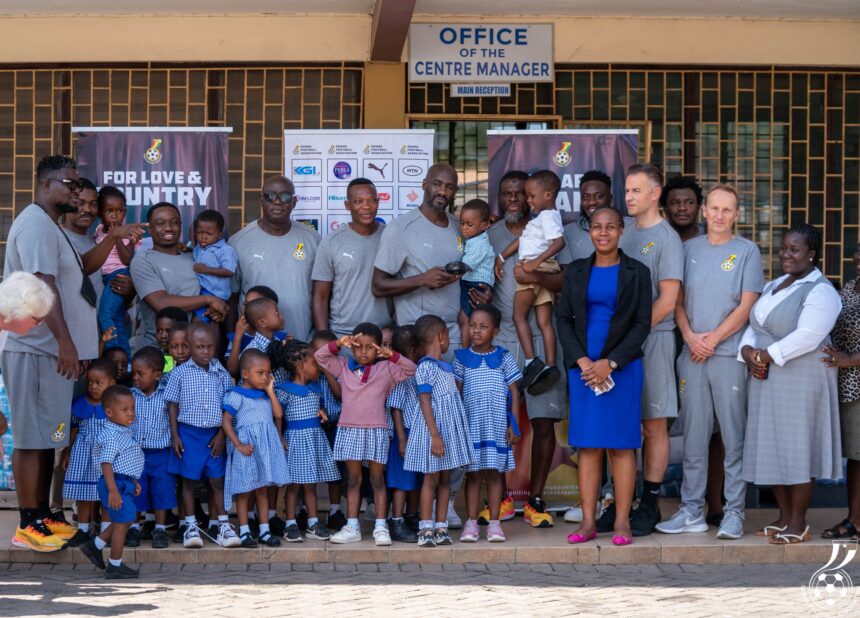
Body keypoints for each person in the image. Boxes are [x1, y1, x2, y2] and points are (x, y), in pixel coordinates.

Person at [656, 185, 763, 540]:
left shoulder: (747, 251)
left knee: (733, 437)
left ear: (736, 214)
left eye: (727, 210)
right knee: (695, 437)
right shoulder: (687, 249)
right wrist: (689, 337)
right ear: (704, 211)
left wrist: (713, 339)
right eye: (714, 208)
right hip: (692, 354)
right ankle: (691, 511)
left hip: (728, 356)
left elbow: (747, 306)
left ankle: (734, 512)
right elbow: (677, 300)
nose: (719, 215)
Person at [2, 155, 97, 552]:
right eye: (69, 184)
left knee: (46, 436)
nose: (75, 191)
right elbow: (44, 284)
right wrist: (66, 342)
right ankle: (28, 523)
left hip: (47, 350)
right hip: (36, 348)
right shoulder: (37, 225)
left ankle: (42, 516)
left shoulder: (49, 226)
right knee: (31, 436)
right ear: (45, 186)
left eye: (78, 185)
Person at [740, 223, 842, 545]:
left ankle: (799, 523)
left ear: (811, 255)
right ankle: (783, 517)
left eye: (794, 249)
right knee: (773, 446)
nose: (786, 254)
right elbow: (755, 324)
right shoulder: (774, 285)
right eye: (784, 248)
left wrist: (765, 356)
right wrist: (747, 352)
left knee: (798, 447)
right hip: (766, 375)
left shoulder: (821, 291)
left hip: (801, 376)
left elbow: (809, 336)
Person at [558, 206, 652, 547]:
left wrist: (610, 363)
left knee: (622, 446)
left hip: (622, 370)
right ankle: (588, 521)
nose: (603, 233)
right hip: (583, 372)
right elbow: (563, 320)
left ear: (621, 231)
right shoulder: (577, 271)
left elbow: (642, 324)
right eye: (597, 227)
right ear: (589, 231)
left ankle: (623, 521)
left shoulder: (637, 272)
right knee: (588, 446)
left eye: (610, 227)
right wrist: (584, 361)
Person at [488, 170, 566, 529]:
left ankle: (535, 499)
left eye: (524, 193)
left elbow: (565, 279)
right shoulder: (490, 236)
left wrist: (533, 273)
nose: (517, 199)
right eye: (509, 194)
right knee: (497, 421)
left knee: (544, 423)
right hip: (502, 344)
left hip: (542, 339)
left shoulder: (548, 226)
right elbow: (476, 282)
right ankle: (500, 497)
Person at [618, 163, 684, 536]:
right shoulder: (623, 232)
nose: (628, 197)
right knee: (623, 423)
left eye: (635, 190)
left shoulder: (667, 238)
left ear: (655, 193)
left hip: (654, 342)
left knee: (654, 424)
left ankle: (650, 503)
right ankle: (621, 500)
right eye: (626, 190)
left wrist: (630, 336)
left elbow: (668, 300)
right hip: (620, 346)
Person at [315, 324, 416, 545]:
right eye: (358, 347)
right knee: (353, 479)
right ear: (351, 348)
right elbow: (320, 356)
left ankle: (381, 527)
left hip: (376, 430)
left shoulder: (387, 369)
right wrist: (338, 344)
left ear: (378, 348)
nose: (363, 352)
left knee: (377, 479)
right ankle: (352, 526)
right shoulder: (343, 366)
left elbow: (411, 370)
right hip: (349, 429)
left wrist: (393, 356)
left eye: (369, 347)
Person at [373, 163, 481, 356]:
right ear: (424, 185)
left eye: (449, 187)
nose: (442, 191)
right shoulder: (400, 228)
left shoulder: (459, 226)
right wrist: (422, 279)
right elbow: (378, 286)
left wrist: (481, 291)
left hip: (453, 337)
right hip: (416, 341)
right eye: (437, 184)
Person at [164, 322, 239, 549]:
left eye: (209, 347)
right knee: (189, 482)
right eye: (199, 347)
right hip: (188, 434)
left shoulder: (222, 373)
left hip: (214, 436)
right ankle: (190, 527)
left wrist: (221, 435)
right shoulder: (179, 373)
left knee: (217, 480)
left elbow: (228, 406)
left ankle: (223, 525)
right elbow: (172, 405)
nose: (205, 351)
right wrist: (175, 436)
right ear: (189, 347)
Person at [404, 314, 474, 548]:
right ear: (441, 337)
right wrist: (434, 435)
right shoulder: (425, 367)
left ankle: (441, 526)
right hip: (434, 432)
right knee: (431, 479)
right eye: (448, 337)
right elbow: (425, 401)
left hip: (449, 433)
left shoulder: (447, 367)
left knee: (445, 480)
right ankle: (426, 528)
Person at [454, 304, 522, 543]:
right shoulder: (461, 358)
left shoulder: (504, 356)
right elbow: (457, 393)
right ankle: (471, 523)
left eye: (483, 327)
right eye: (472, 325)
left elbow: (515, 391)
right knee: (473, 475)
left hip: (496, 426)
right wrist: (457, 427)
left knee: (494, 475)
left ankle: (495, 524)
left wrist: (513, 424)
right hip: (471, 426)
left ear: (495, 331)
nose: (476, 331)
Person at [496, 170, 565, 395]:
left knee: (519, 316)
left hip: (535, 271)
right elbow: (521, 240)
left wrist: (535, 262)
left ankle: (530, 362)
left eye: (531, 196)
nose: (528, 200)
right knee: (545, 322)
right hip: (541, 270)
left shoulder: (548, 216)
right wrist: (501, 257)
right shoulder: (540, 220)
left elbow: (559, 242)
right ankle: (550, 365)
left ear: (547, 195)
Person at [230, 176, 320, 341]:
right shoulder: (238, 242)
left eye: (285, 197)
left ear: (294, 202)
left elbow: (321, 294)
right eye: (270, 196)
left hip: (302, 342)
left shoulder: (313, 240)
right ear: (261, 200)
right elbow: (232, 297)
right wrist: (231, 341)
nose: (277, 202)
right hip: (255, 349)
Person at [130, 202, 229, 347]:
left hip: (194, 349)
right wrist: (208, 300)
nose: (168, 228)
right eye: (160, 223)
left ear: (181, 225)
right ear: (150, 229)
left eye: (174, 222)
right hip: (160, 351)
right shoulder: (143, 261)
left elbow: (210, 288)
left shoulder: (194, 257)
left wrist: (214, 310)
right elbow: (161, 303)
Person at [270, 339, 339, 542]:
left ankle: (312, 523)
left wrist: (322, 412)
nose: (317, 367)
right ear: (301, 366)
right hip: (296, 441)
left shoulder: (316, 389)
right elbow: (278, 415)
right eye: (314, 363)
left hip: (314, 438)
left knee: (311, 485)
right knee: (294, 486)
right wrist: (279, 436)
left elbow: (320, 408)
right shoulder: (285, 390)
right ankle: (290, 523)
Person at [222, 349, 289, 548]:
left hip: (264, 449)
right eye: (260, 373)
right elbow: (226, 422)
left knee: (262, 490)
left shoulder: (266, 396)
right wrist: (239, 445)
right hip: (247, 449)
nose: (265, 377)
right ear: (245, 373)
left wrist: (269, 390)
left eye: (268, 373)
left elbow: (278, 414)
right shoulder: (236, 395)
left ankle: (265, 531)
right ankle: (244, 531)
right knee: (244, 491)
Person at [78, 384, 144, 579]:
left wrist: (133, 480)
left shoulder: (121, 430)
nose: (131, 413)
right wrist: (113, 490)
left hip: (123, 482)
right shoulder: (112, 435)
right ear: (109, 412)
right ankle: (115, 565)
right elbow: (106, 463)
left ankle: (95, 545)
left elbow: (122, 460)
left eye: (132, 408)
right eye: (125, 410)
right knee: (123, 524)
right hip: (114, 483)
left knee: (124, 519)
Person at [312, 178, 391, 337]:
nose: (366, 207)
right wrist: (325, 340)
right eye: (358, 201)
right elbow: (320, 297)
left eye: (371, 200)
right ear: (348, 205)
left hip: (383, 335)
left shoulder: (390, 237)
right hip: (344, 336)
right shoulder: (331, 242)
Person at [821, 245, 860, 540]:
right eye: (856, 256)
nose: (857, 261)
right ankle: (855, 520)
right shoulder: (849, 287)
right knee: (855, 457)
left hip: (855, 376)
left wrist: (852, 358)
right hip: (848, 385)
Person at [62, 358, 118, 547]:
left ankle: (105, 531)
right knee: (84, 495)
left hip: (106, 457)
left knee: (106, 495)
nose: (93, 387)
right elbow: (74, 430)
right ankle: (83, 530)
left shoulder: (114, 407)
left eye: (99, 383)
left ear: (112, 384)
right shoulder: (80, 404)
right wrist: (67, 452)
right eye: (90, 382)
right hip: (83, 456)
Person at [129, 346, 175, 549]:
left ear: (157, 375)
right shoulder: (130, 396)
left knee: (162, 491)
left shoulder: (166, 396)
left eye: (141, 374)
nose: (135, 378)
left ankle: (160, 529)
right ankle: (133, 527)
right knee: (137, 490)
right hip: (136, 454)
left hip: (161, 453)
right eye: (134, 373)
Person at [94, 186, 142, 356]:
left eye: (119, 211)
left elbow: (127, 260)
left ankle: (113, 355)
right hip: (105, 279)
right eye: (109, 211)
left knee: (105, 315)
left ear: (125, 212)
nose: (115, 215)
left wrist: (117, 237)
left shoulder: (127, 233)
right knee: (118, 321)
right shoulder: (99, 231)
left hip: (119, 276)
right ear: (100, 213)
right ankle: (125, 360)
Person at [386, 325, 422, 542]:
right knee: (402, 481)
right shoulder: (401, 375)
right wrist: (402, 439)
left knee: (417, 480)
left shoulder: (423, 369)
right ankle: (397, 520)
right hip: (405, 434)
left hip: (420, 434)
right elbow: (396, 408)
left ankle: (411, 516)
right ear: (413, 348)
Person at [310, 330, 346, 533]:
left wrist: (328, 371)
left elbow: (340, 395)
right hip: (314, 428)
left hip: (335, 426)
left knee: (335, 473)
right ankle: (307, 511)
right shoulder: (307, 372)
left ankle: (334, 512)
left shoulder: (340, 370)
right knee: (310, 472)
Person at [457, 199, 496, 348]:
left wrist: (449, 272)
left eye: (469, 224)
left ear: (485, 225)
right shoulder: (474, 239)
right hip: (472, 283)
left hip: (476, 286)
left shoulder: (480, 243)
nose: (464, 228)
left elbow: (466, 265)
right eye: (462, 223)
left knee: (465, 319)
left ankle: (467, 351)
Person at [224, 285, 281, 378]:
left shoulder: (280, 338)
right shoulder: (235, 337)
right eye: (246, 304)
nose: (246, 309)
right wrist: (238, 337)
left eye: (253, 305)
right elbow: (232, 371)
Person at [559, 169, 616, 263]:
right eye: (586, 197)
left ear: (610, 199)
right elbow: (567, 273)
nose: (592, 202)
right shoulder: (568, 232)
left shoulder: (629, 227)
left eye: (599, 196)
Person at [192, 209, 238, 322]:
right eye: (199, 232)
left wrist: (206, 270)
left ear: (220, 234)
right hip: (201, 291)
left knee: (199, 321)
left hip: (216, 293)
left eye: (208, 233)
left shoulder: (225, 250)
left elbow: (229, 271)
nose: (203, 236)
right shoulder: (198, 248)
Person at [242, 297, 289, 384]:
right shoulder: (252, 351)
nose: (281, 316)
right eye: (276, 313)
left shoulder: (280, 342)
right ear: (262, 323)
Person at [662, 176, 705, 242]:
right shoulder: (655, 237)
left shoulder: (710, 236)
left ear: (698, 207)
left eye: (689, 202)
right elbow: (644, 251)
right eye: (675, 203)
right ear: (665, 208)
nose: (682, 208)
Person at [154, 306, 188, 374]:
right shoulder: (155, 357)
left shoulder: (190, 359)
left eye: (169, 331)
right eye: (159, 331)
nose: (163, 336)